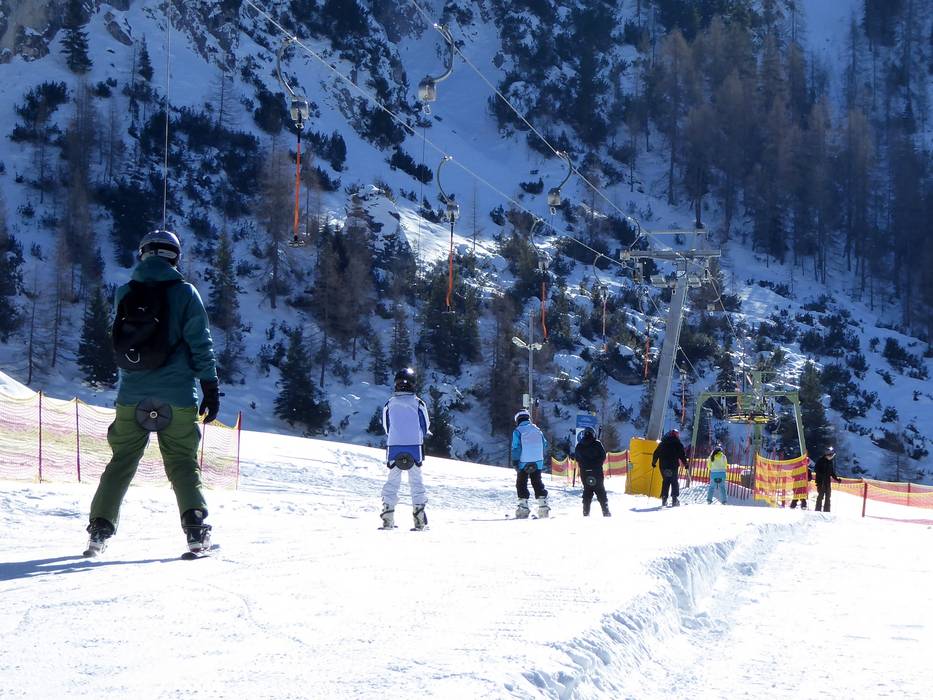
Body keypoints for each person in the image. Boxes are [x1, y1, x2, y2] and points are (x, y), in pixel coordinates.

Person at [85, 230, 219, 556]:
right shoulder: (185, 293)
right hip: (177, 396)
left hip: (132, 396)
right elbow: (200, 343)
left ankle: (99, 532)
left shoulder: (125, 293)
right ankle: (195, 531)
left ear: (142, 254)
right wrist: (210, 387)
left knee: (121, 462)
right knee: (182, 462)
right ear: (175, 257)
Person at [380, 367, 431, 530]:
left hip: (394, 445)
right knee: (416, 481)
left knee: (393, 480)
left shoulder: (389, 403)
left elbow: (386, 427)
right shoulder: (419, 403)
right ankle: (419, 518)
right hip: (414, 446)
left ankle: (388, 516)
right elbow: (425, 425)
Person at [511, 409, 549, 518]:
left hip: (524, 461)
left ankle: (523, 507)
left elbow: (516, 448)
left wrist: (515, 461)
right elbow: (544, 444)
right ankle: (543, 506)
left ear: (518, 420)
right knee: (537, 481)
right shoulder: (537, 430)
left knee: (521, 482)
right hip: (538, 461)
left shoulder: (518, 431)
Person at [575, 427, 610, 517]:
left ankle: (585, 512)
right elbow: (603, 456)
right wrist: (597, 464)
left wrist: (584, 464)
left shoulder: (579, 445)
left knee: (587, 490)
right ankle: (605, 511)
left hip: (584, 472)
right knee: (600, 490)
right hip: (596, 471)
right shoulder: (597, 444)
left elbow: (577, 458)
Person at [652, 428, 688, 507]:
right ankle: (674, 499)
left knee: (666, 481)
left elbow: (656, 453)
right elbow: (682, 455)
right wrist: (686, 464)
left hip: (663, 466)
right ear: (676, 436)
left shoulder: (662, 443)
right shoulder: (678, 444)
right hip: (673, 466)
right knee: (674, 481)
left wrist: (654, 462)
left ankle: (664, 499)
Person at [813, 446, 842, 512]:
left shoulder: (830, 462)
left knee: (828, 496)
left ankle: (827, 510)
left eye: (832, 456)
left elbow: (831, 472)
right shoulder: (821, 460)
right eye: (831, 455)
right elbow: (816, 469)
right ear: (827, 455)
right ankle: (818, 509)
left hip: (827, 481)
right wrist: (821, 475)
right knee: (821, 495)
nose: (831, 457)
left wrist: (837, 479)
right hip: (821, 481)